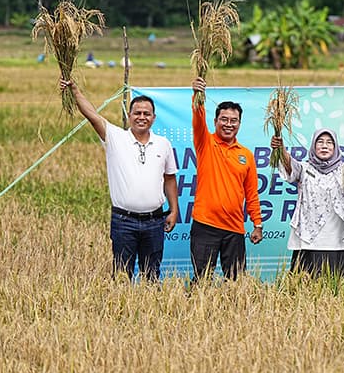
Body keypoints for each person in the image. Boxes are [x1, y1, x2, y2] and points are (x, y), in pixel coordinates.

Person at [59, 79, 178, 281]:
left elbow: (169, 179)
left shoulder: (163, 144)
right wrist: (75, 91)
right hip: (124, 222)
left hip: (154, 221)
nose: (142, 117)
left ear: (154, 118)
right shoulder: (115, 137)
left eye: (146, 114)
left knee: (152, 276)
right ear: (129, 116)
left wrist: (174, 210)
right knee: (122, 276)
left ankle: (151, 312)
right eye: (137, 113)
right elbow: (92, 115)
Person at [270, 129, 344, 277]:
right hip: (309, 239)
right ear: (313, 146)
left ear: (336, 147)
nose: (325, 146)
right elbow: (289, 165)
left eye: (329, 143)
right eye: (320, 142)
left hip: (338, 239)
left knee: (339, 288)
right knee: (305, 286)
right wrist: (280, 148)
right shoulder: (304, 168)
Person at [190, 77, 263, 280]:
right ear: (215, 122)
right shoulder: (205, 142)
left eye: (234, 121)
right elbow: (197, 118)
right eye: (224, 119)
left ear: (239, 124)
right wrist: (197, 95)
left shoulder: (246, 155)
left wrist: (257, 223)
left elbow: (251, 193)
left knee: (236, 282)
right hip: (205, 225)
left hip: (234, 229)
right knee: (201, 280)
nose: (228, 124)